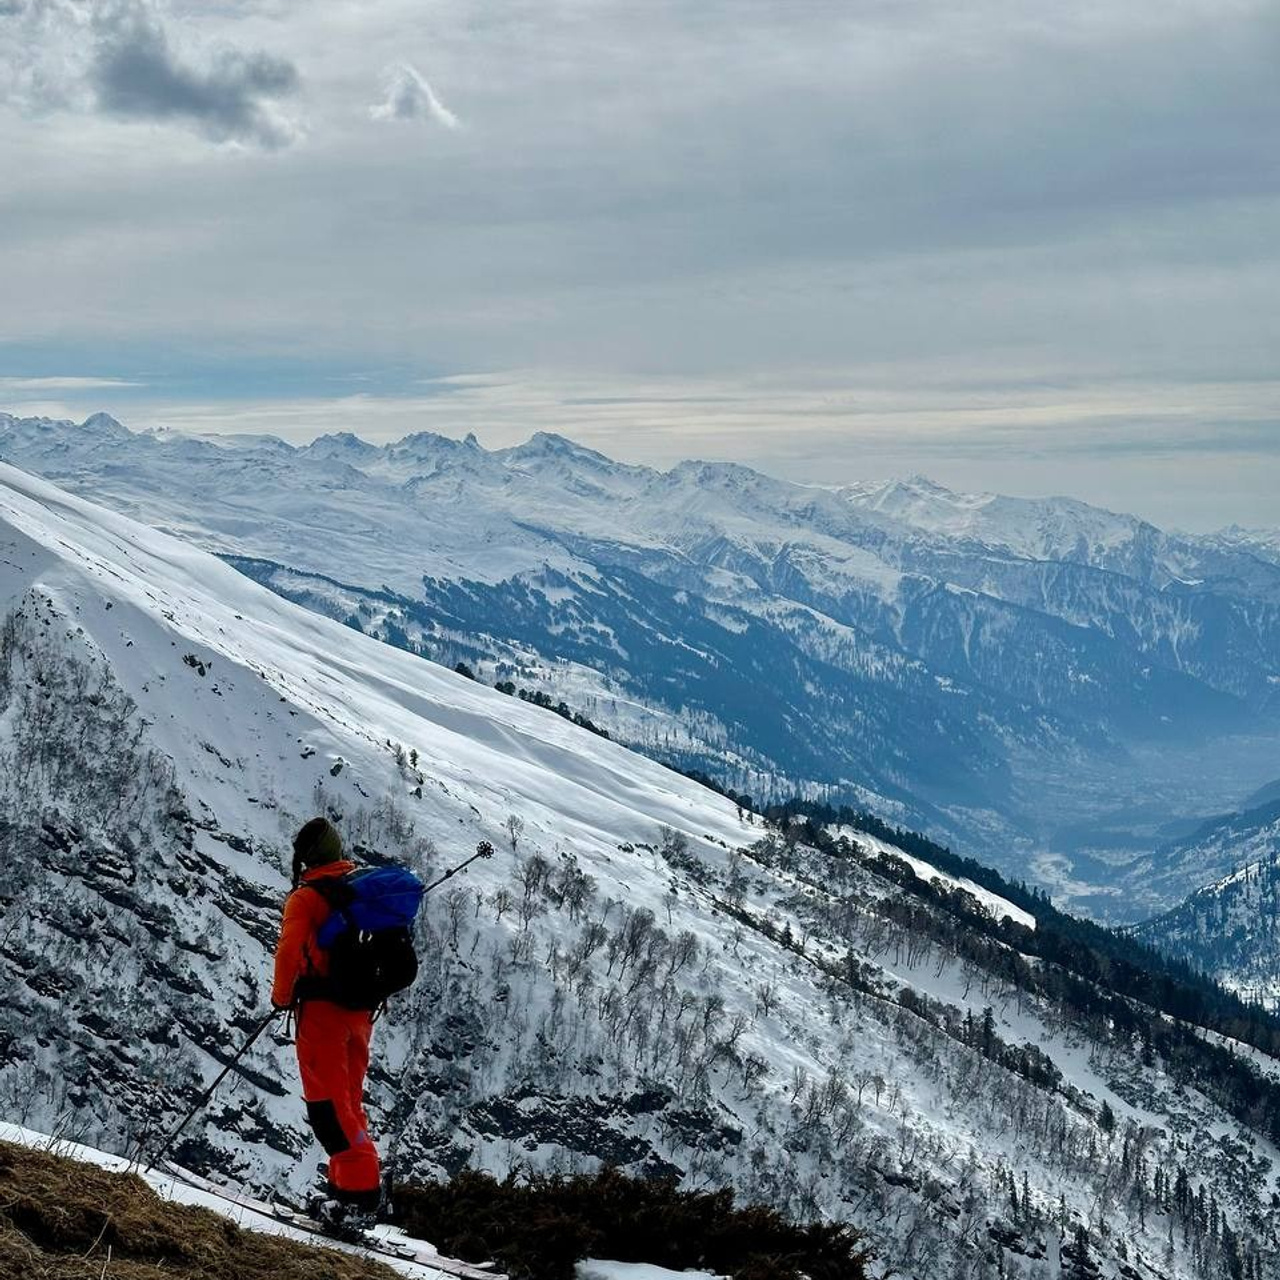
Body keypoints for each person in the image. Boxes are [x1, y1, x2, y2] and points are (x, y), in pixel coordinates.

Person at [272, 816, 382, 1219]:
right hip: (360, 1014)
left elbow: (288, 952)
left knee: (328, 1109)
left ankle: (359, 1198)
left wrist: (281, 998)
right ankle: (344, 1188)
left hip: (322, 1014)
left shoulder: (306, 897)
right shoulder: (356, 886)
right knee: (349, 1101)